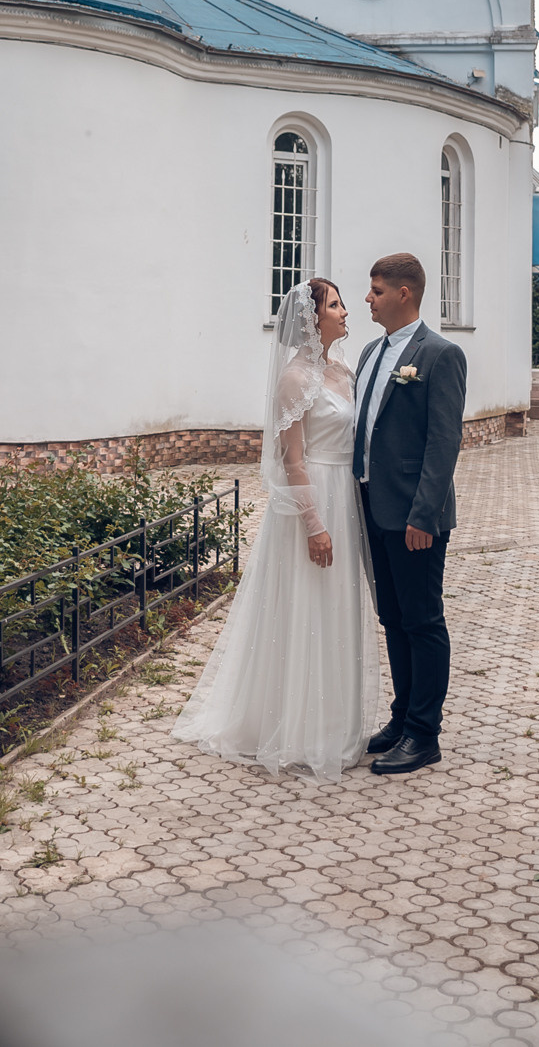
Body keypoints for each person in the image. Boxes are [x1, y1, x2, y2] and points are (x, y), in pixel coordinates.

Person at [172, 278, 377, 780]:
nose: (346, 311)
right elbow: (293, 460)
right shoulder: (295, 379)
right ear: (313, 319)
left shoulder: (342, 368)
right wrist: (313, 523)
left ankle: (335, 721)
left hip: (345, 498)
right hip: (315, 500)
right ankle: (296, 728)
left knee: (338, 605)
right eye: (335, 304)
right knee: (306, 604)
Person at [351, 252, 464, 774]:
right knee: (392, 618)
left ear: (404, 294)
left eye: (375, 290)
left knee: (422, 620)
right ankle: (401, 717)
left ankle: (425, 732)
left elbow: (444, 443)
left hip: (416, 517)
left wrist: (425, 515)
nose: (368, 299)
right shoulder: (372, 352)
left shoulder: (440, 355)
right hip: (374, 510)